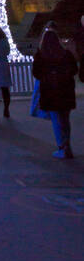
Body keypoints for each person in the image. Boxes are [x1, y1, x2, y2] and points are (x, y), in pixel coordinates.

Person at [32, 21, 78, 158]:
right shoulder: (65, 54)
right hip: (66, 91)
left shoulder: (41, 56)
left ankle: (62, 147)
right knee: (65, 120)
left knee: (57, 121)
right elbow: (74, 70)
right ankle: (67, 145)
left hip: (51, 92)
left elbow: (37, 73)